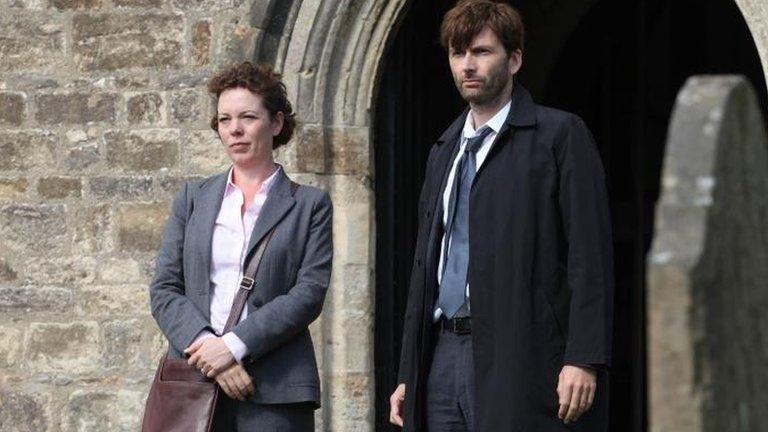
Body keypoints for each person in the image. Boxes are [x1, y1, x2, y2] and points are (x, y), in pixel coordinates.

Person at [388, 1, 614, 431]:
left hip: (521, 352)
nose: (468, 66)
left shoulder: (559, 137)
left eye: (482, 52)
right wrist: (408, 372)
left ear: (514, 60)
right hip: (441, 353)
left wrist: (583, 358)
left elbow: (591, 257)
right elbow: (426, 269)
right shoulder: (443, 150)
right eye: (458, 54)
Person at [149, 61, 332, 431]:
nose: (234, 129)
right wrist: (209, 350)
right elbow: (165, 289)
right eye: (224, 120)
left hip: (276, 389)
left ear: (276, 123)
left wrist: (233, 346)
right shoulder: (193, 199)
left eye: (247, 117)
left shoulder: (310, 204)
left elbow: (308, 294)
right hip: (194, 378)